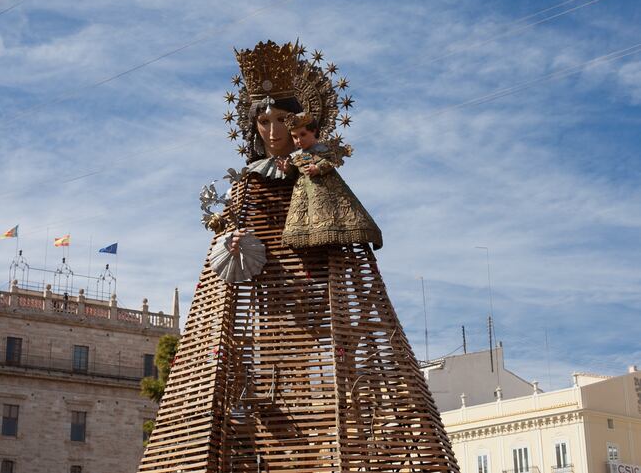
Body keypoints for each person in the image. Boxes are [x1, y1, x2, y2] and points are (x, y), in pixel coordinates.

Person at [139, 40, 460, 473]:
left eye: (282, 121)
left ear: (300, 124)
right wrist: (229, 236)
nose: (272, 131)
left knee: (324, 386)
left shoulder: (314, 174)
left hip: (317, 289)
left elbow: (340, 222)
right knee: (262, 382)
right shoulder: (247, 181)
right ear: (252, 126)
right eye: (263, 121)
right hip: (262, 301)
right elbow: (230, 225)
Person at [279, 111, 382, 250]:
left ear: (313, 131)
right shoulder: (296, 156)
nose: (298, 140)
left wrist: (318, 168)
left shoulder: (323, 149)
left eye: (302, 134)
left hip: (327, 192)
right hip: (303, 195)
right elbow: (294, 173)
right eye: (294, 137)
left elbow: (333, 160)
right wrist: (287, 169)